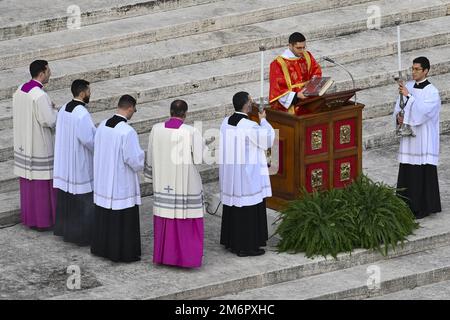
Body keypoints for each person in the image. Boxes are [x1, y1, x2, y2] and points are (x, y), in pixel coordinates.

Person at [146, 100, 205, 268]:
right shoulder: (191, 132)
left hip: (163, 182)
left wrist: (151, 176)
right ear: (185, 114)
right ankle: (187, 258)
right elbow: (199, 159)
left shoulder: (156, 129)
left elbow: (150, 154)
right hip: (185, 185)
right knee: (186, 219)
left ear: (170, 111)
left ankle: (165, 257)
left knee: (165, 218)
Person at [219, 91, 275, 257]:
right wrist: (263, 119)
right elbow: (268, 139)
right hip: (246, 176)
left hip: (232, 174)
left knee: (234, 207)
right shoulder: (249, 126)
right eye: (251, 101)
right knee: (247, 209)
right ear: (247, 105)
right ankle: (246, 247)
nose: (252, 103)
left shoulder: (225, 122)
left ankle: (232, 242)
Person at [91, 95, 144, 262]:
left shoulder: (102, 125)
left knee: (105, 217)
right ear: (129, 108)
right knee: (122, 219)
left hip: (103, 179)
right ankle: (122, 252)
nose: (133, 113)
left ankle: (102, 248)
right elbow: (133, 160)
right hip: (121, 183)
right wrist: (144, 159)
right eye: (134, 110)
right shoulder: (127, 132)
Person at [13, 60, 58, 230]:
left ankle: (30, 219)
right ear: (42, 73)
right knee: (41, 185)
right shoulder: (40, 95)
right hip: (39, 145)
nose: (50, 73)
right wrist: (55, 110)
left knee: (28, 183)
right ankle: (43, 221)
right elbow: (49, 121)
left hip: (24, 142)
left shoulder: (20, 89)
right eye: (49, 70)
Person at [395, 56, 441, 219]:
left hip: (423, 139)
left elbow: (423, 113)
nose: (413, 72)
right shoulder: (407, 86)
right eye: (412, 69)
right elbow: (398, 107)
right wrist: (399, 117)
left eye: (417, 69)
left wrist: (409, 96)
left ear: (426, 71)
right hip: (409, 140)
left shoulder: (432, 92)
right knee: (407, 169)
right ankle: (404, 205)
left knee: (420, 171)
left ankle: (422, 207)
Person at [53, 79, 96, 246]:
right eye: (89, 91)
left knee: (67, 198)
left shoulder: (64, 108)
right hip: (78, 163)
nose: (90, 94)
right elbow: (88, 140)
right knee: (82, 201)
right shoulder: (82, 113)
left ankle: (65, 230)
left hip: (66, 162)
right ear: (83, 93)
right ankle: (80, 236)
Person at [269, 32, 322, 114]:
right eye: (299, 48)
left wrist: (312, 86)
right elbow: (277, 89)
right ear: (290, 46)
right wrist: (296, 95)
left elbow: (316, 72)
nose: (302, 51)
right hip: (293, 105)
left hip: (310, 100)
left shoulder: (307, 56)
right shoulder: (278, 63)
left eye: (304, 47)